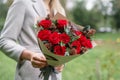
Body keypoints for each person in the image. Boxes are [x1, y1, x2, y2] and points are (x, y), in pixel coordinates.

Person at [0, 0, 95, 80]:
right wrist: (30, 55)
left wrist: (62, 63)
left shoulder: (59, 9)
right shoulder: (22, 3)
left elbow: (64, 44)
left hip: (55, 75)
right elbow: (4, 40)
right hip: (30, 74)